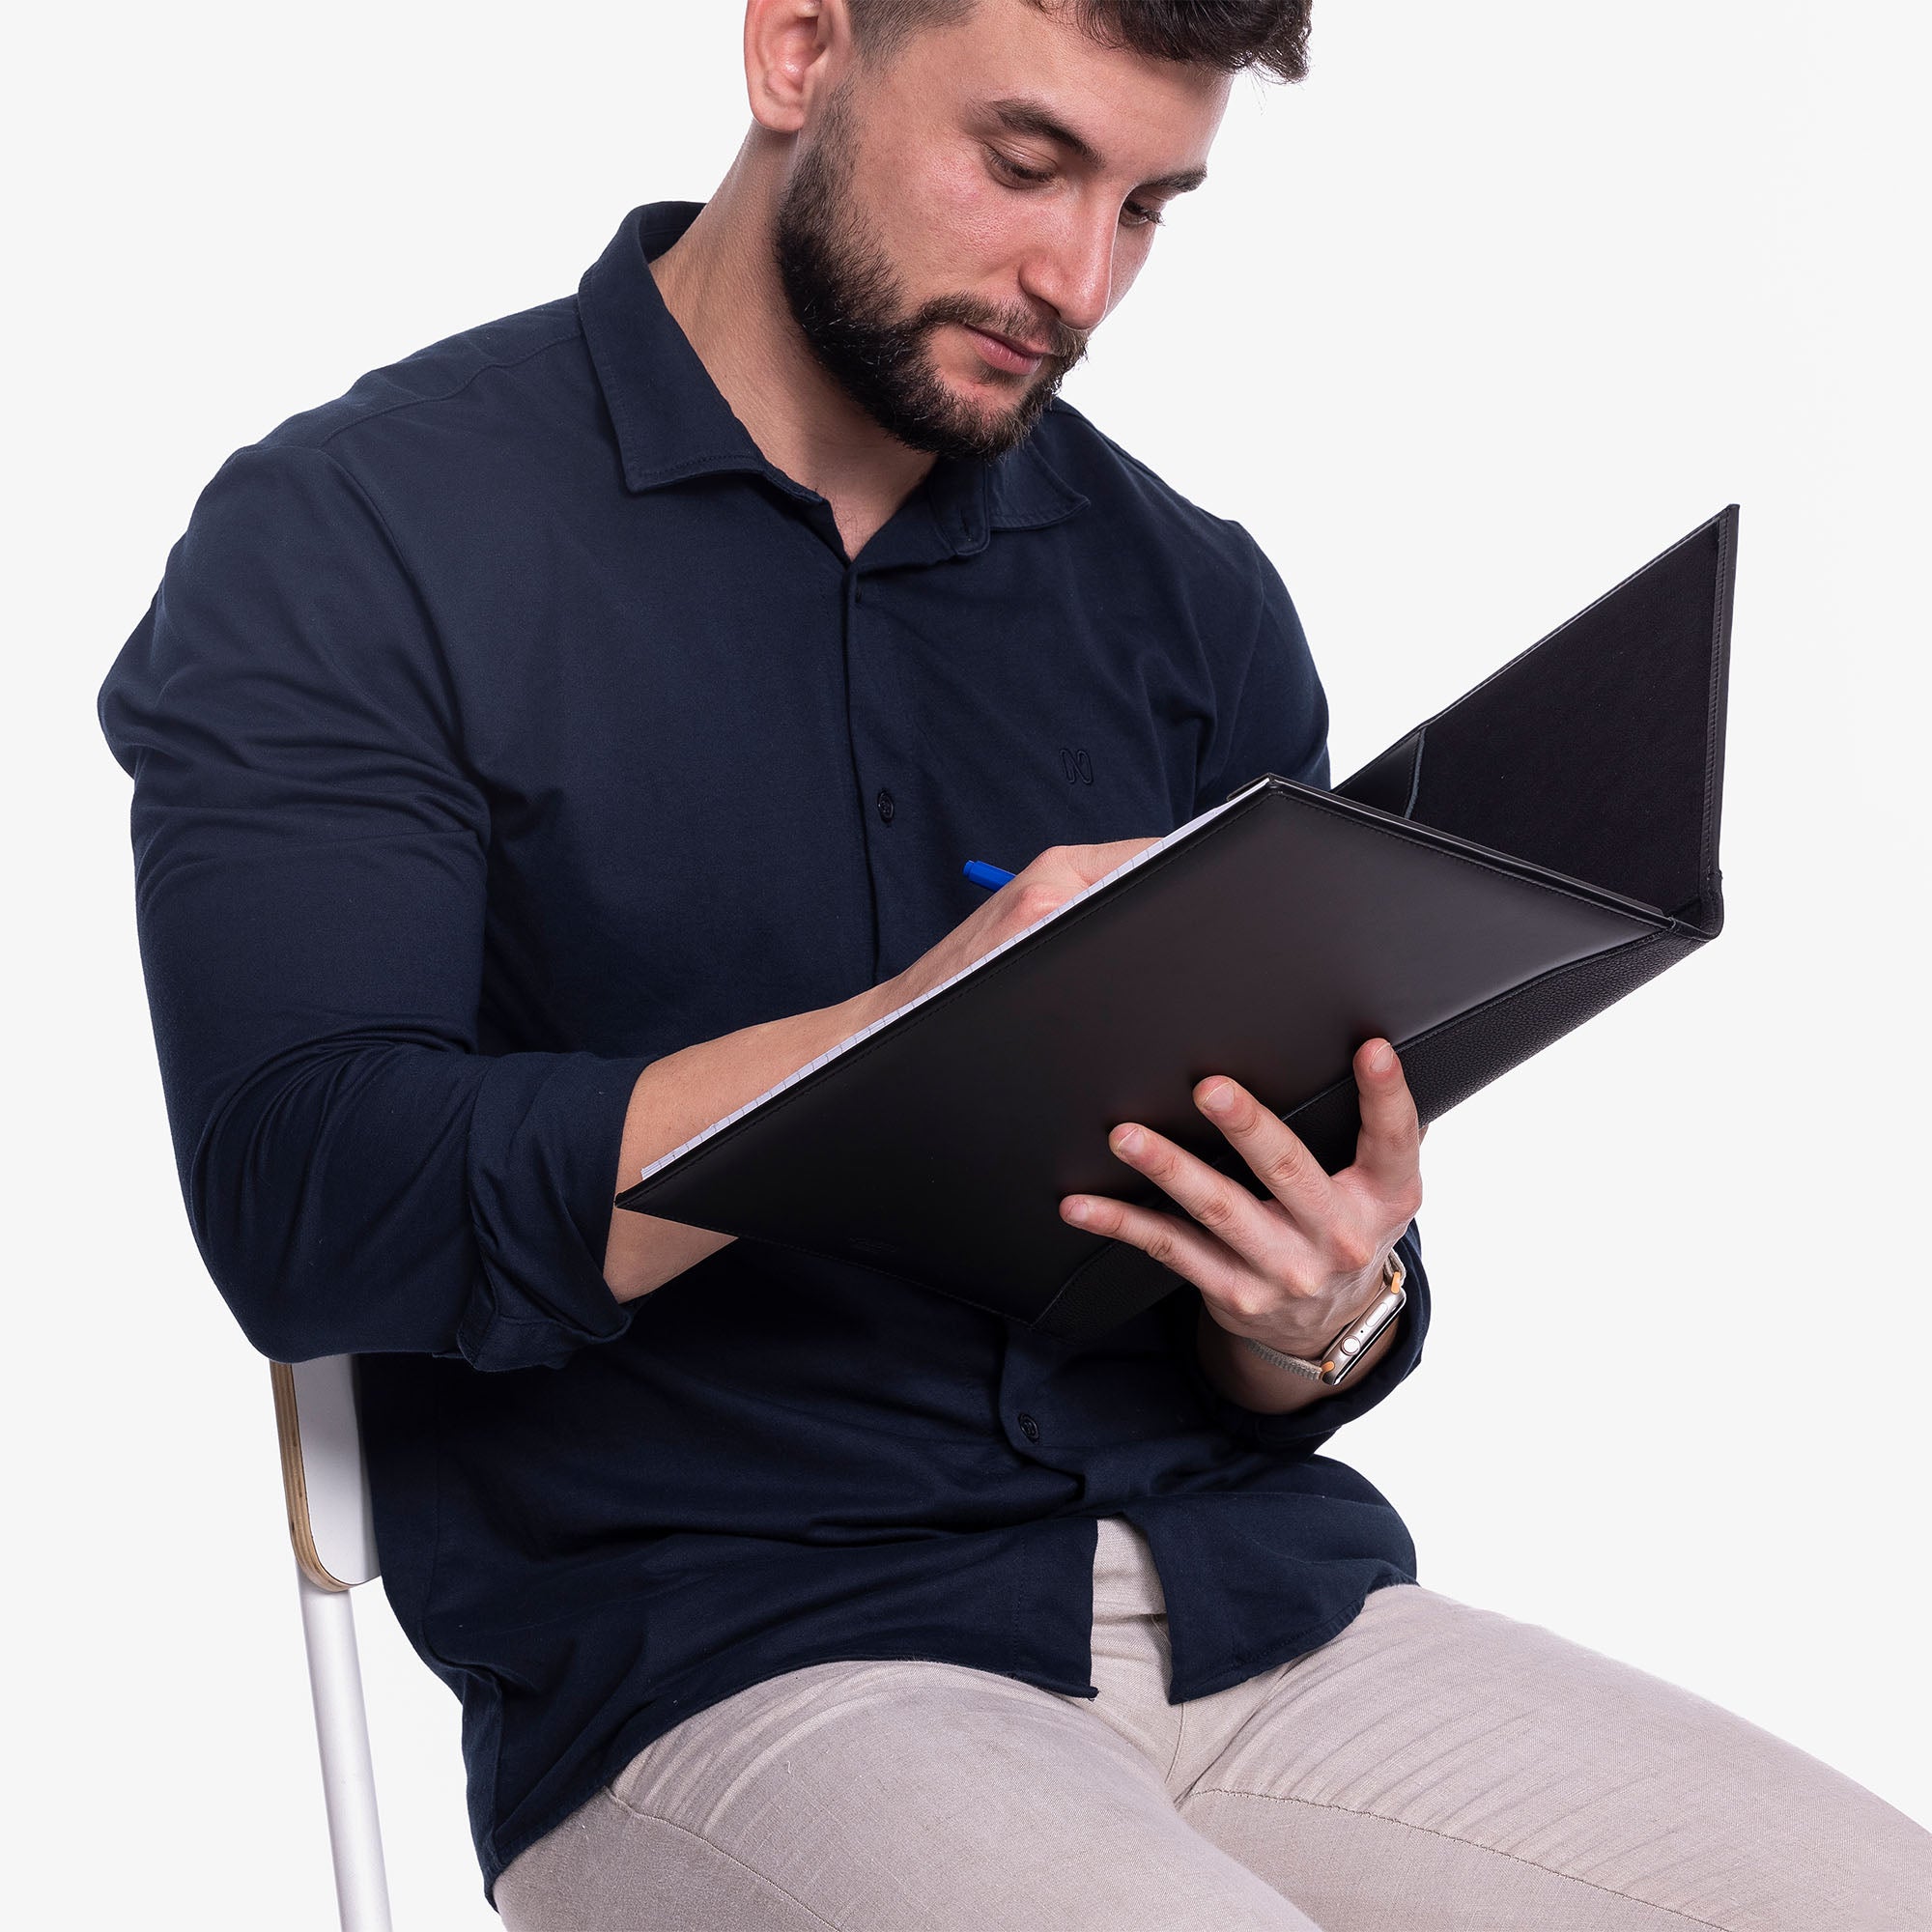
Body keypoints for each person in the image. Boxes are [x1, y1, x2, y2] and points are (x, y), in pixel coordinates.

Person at [97, 2, 1929, 1926]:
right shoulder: (363, 539)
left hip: (1260, 1606)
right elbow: (308, 1199)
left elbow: (1268, 1299)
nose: (1076, 279)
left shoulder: (1187, 597)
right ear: (800, 50)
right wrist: (902, 1038)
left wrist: (1309, 1304)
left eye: (1147, 207)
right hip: (742, 1657)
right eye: (1026, 161)